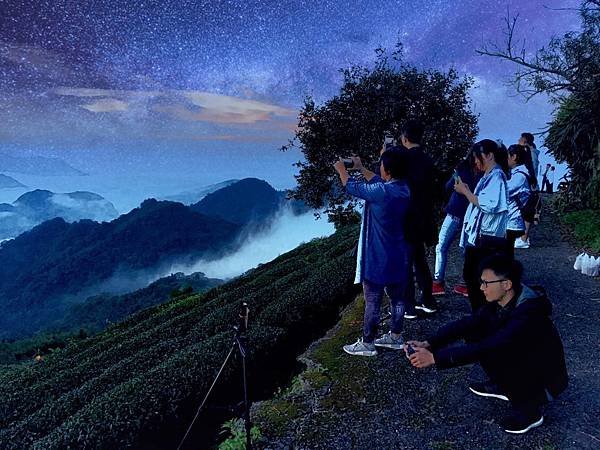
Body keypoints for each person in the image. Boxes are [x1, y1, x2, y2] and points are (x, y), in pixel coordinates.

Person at [405, 254, 568, 434]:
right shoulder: (504, 300)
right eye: (481, 282)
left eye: (486, 283)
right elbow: (466, 324)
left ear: (506, 284)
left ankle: (530, 412)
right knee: (475, 332)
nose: (481, 288)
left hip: (546, 381)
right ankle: (504, 385)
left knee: (492, 347)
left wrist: (435, 359)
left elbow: (490, 346)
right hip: (526, 363)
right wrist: (429, 343)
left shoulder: (528, 314)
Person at [333, 150, 412, 357]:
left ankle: (368, 342)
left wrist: (342, 169)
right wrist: (360, 168)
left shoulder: (381, 192)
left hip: (377, 255)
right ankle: (396, 336)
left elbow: (351, 186)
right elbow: (379, 183)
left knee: (373, 300)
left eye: (381, 165)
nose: (379, 168)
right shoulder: (403, 189)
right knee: (397, 299)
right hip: (398, 254)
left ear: (388, 169)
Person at [454, 139, 509, 312]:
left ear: (490, 156)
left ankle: (482, 320)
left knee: (478, 281)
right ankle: (481, 318)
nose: (476, 162)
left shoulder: (497, 176)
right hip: (482, 237)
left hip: (487, 239)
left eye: (479, 157)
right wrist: (468, 191)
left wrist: (465, 192)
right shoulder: (489, 175)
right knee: (474, 278)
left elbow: (488, 204)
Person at [398, 120, 439, 315]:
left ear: (404, 138)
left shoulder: (402, 159)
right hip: (425, 217)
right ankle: (428, 300)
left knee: (405, 263)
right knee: (420, 260)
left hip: (406, 218)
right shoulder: (428, 160)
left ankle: (409, 306)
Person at [432, 153, 481, 297]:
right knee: (467, 249)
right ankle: (466, 283)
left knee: (441, 246)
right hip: (472, 213)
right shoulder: (483, 174)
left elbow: (447, 187)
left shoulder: (461, 170)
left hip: (455, 211)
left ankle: (437, 282)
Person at [505, 145, 533, 257]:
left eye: (507, 156)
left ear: (514, 157)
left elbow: (504, 191)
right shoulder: (519, 174)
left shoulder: (520, 177)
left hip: (513, 220)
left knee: (506, 255)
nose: (505, 159)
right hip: (511, 219)